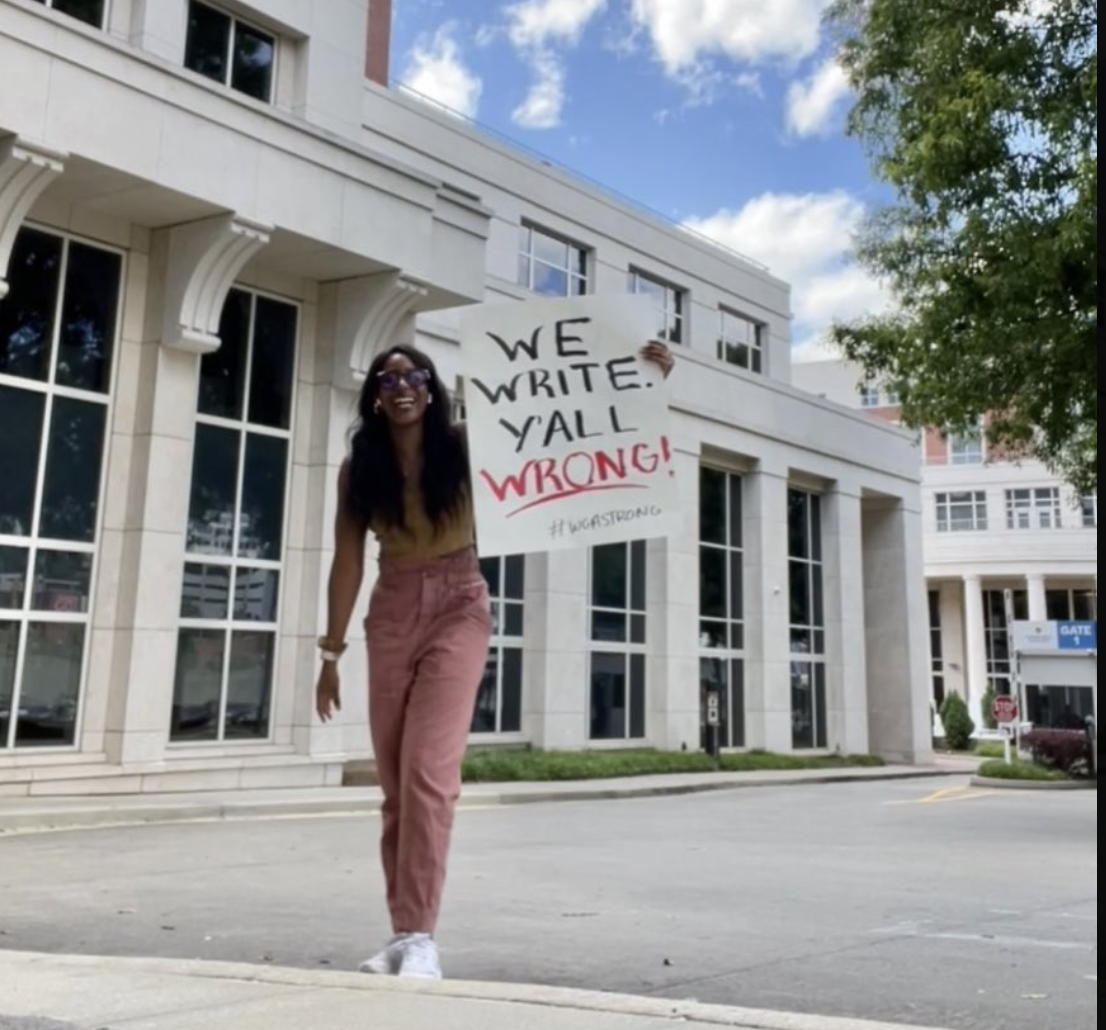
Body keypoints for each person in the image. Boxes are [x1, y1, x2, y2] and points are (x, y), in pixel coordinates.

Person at [315, 338, 674, 980]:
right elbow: (347, 560)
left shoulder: (468, 445)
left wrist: (642, 381)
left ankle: (422, 936)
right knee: (396, 788)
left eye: (414, 376)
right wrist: (331, 652)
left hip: (460, 602)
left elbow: (568, 433)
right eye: (388, 379)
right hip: (391, 605)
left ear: (432, 388)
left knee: (428, 773)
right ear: (374, 395)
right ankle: (402, 932)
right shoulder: (359, 466)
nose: (402, 387)